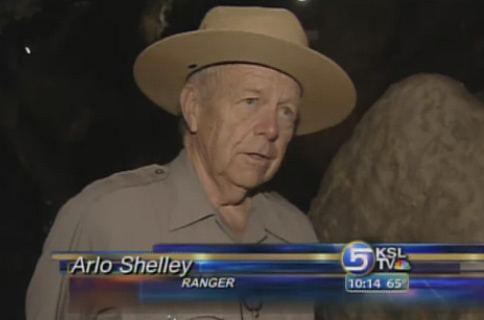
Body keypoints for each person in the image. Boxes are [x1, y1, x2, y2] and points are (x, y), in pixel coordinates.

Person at [26, 6, 356, 320]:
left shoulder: (297, 235)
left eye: (286, 112)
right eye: (250, 100)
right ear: (193, 107)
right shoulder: (105, 222)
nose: (270, 129)